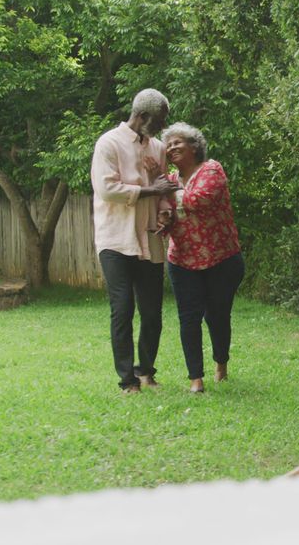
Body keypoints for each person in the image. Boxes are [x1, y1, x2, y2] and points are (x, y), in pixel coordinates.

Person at [91, 88, 178, 394]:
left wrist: (165, 211)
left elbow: (165, 189)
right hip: (115, 239)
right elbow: (108, 189)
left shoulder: (157, 148)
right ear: (141, 116)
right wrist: (150, 191)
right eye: (158, 120)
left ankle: (146, 372)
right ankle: (128, 381)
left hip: (150, 240)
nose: (161, 127)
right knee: (123, 308)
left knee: (153, 311)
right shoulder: (109, 144)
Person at [157, 122, 244, 394]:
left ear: (194, 146)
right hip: (182, 259)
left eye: (177, 142)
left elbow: (198, 200)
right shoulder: (169, 180)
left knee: (217, 316)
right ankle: (196, 378)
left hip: (221, 258)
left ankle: (221, 363)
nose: (171, 148)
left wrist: (168, 192)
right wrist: (164, 219)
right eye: (168, 145)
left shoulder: (211, 169)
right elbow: (168, 213)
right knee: (189, 317)